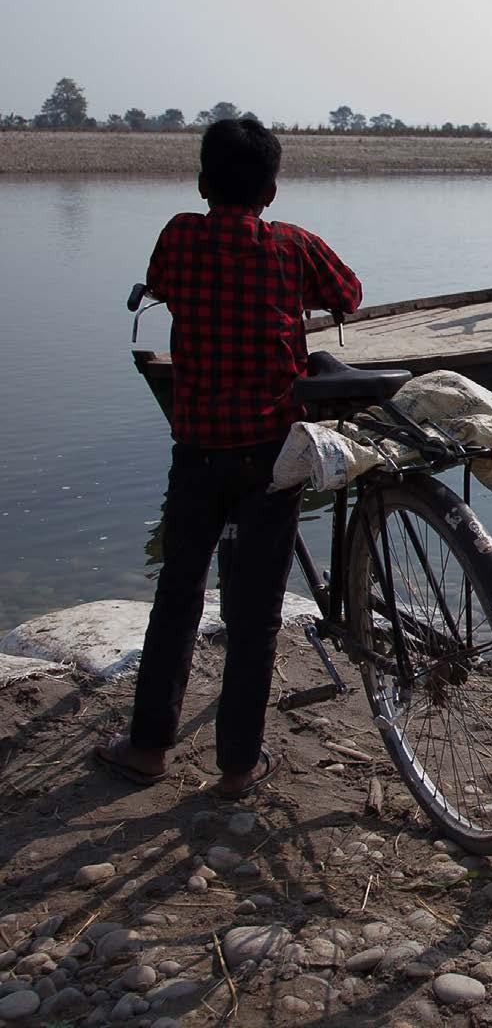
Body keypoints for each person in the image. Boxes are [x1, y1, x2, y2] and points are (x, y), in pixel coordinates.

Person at [95, 118, 362, 798]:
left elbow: (159, 282)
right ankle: (239, 765)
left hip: (198, 449)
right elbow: (349, 295)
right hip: (271, 454)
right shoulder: (293, 245)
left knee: (178, 594)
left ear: (203, 183)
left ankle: (149, 747)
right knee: (255, 611)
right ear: (271, 190)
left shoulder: (179, 236)